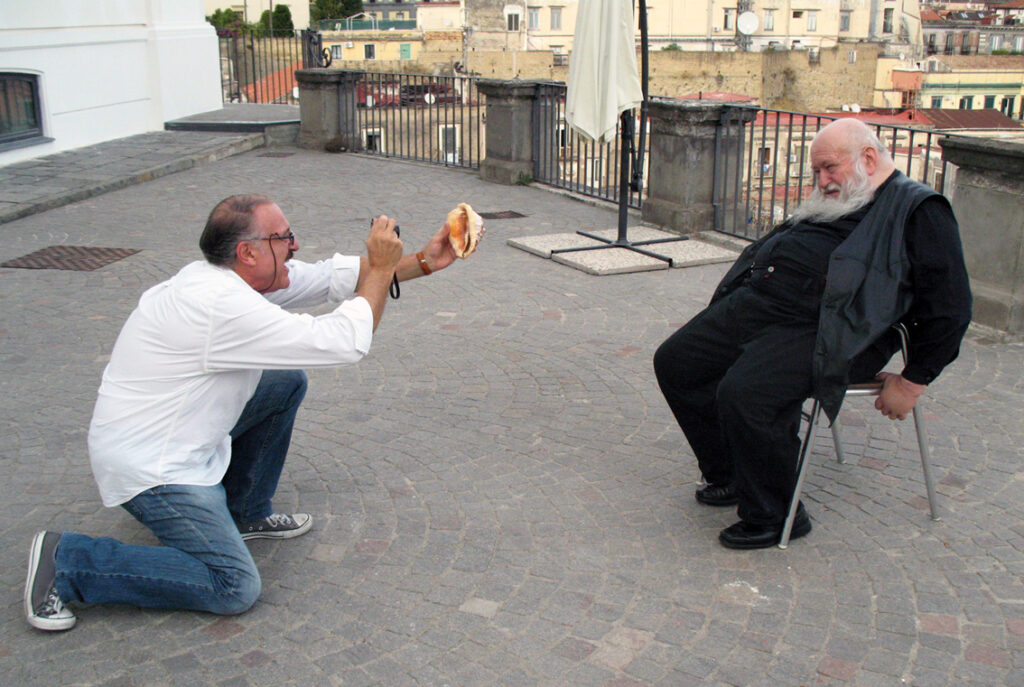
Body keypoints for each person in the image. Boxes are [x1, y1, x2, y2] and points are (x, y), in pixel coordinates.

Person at [25, 194, 475, 630]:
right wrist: (379, 265)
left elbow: (325, 278)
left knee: (282, 383)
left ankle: (245, 511)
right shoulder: (219, 305)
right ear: (247, 252)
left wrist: (423, 260)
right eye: (285, 237)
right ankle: (67, 561)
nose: (295, 245)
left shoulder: (228, 277)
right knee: (233, 586)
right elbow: (344, 341)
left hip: (174, 432)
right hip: (154, 468)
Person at [653, 118, 972, 549]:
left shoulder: (919, 209)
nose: (821, 181)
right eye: (816, 172)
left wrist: (913, 381)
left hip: (834, 329)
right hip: (764, 306)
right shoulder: (843, 196)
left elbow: (950, 307)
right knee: (677, 361)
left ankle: (775, 512)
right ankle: (729, 472)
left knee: (747, 393)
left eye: (829, 168)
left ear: (869, 158)